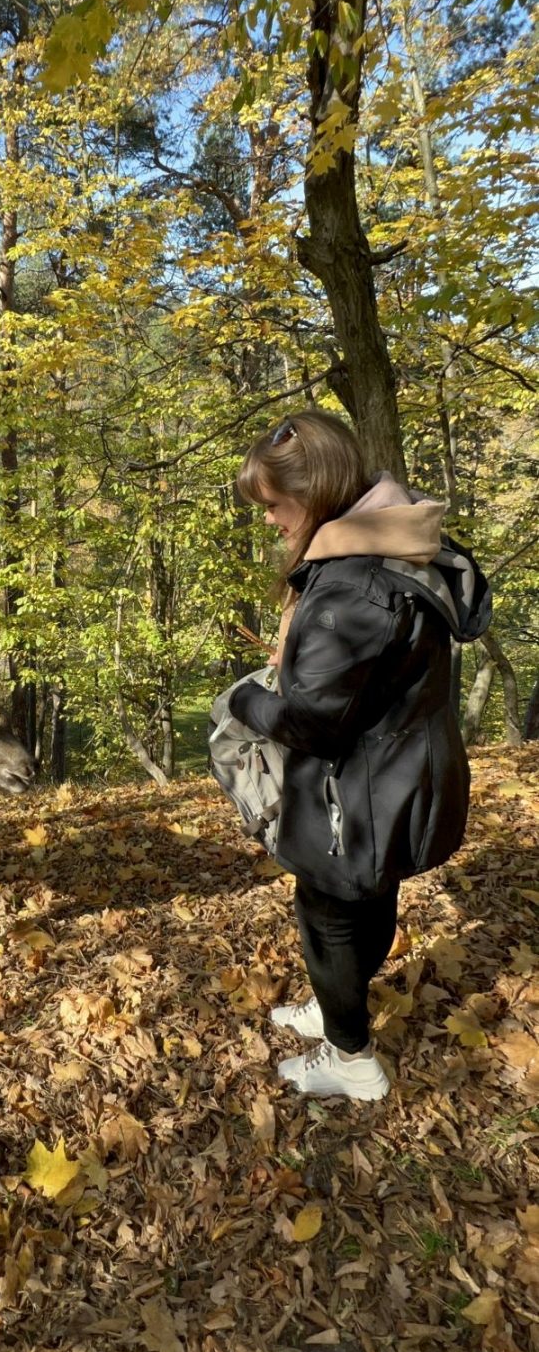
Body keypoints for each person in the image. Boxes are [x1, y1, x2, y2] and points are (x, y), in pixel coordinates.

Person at [229, 410, 491, 1100]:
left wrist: (243, 704)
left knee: (331, 918)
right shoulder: (401, 543)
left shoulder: (353, 589)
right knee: (369, 899)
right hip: (402, 777)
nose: (269, 521)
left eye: (275, 506)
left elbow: (312, 726)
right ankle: (335, 1004)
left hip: (359, 795)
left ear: (315, 497)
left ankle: (352, 1059)